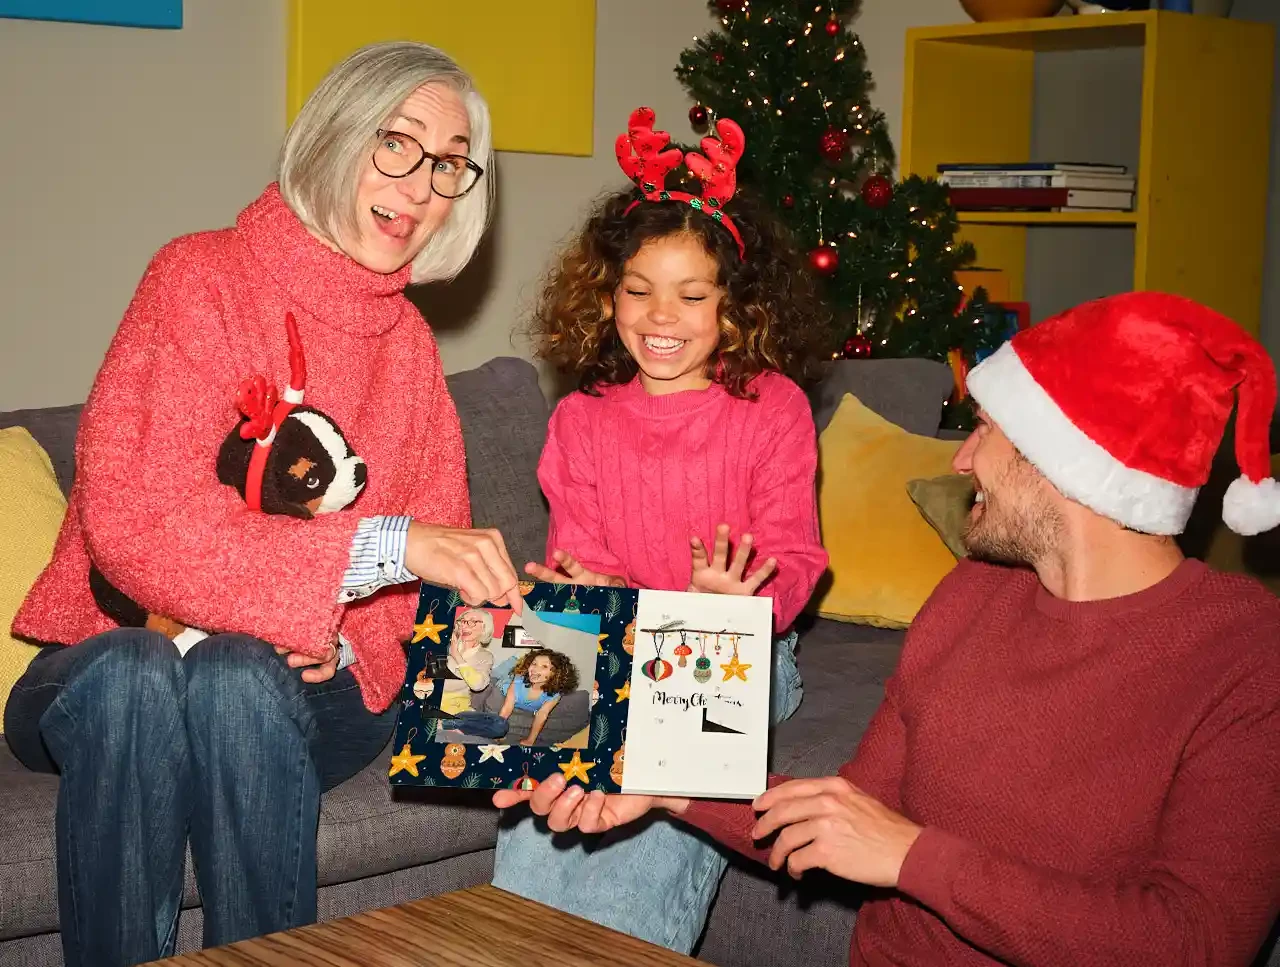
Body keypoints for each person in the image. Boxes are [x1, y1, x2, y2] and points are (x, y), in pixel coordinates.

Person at [498, 291, 1280, 966]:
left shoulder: (1244, 655)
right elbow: (852, 812)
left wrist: (912, 856)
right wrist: (667, 785)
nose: (963, 460)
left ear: (1066, 464)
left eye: (986, 434)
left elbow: (1197, 941)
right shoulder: (970, 597)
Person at [4, 41, 522, 967]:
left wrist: (347, 634)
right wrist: (367, 553)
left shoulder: (409, 353)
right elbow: (134, 524)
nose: (421, 183)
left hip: (302, 694)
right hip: (113, 655)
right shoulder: (197, 277)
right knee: (134, 674)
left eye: (448, 162)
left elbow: (422, 601)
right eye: (396, 142)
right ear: (336, 135)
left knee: (243, 677)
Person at [492, 106, 830, 952]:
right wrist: (584, 593)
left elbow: (796, 555)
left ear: (734, 306)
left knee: (652, 825)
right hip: (616, 645)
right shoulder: (581, 418)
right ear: (607, 297)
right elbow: (587, 561)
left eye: (691, 293)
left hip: (737, 652)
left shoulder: (772, 409)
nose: (659, 314)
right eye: (637, 290)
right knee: (543, 809)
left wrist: (734, 604)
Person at [444, 648, 578, 744]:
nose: (535, 669)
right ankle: (453, 721)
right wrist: (496, 728)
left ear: (556, 674)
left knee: (499, 727)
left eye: (544, 667)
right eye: (534, 664)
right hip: (503, 688)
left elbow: (542, 715)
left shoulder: (554, 695)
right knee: (499, 724)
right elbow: (508, 706)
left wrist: (530, 740)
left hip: (517, 695)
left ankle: (460, 726)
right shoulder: (519, 679)